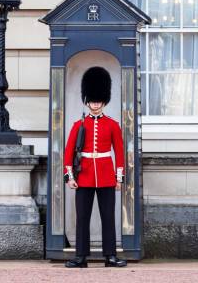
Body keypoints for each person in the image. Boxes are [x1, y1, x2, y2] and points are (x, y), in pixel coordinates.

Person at [63, 66, 127, 268]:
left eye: (98, 100)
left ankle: (110, 256)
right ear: (87, 100)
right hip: (84, 176)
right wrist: (70, 176)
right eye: (92, 100)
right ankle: (81, 257)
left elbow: (119, 152)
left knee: (108, 217)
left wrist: (119, 178)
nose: (95, 104)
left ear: (104, 100)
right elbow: (68, 152)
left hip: (107, 176)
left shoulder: (112, 124)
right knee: (83, 218)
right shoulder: (78, 125)